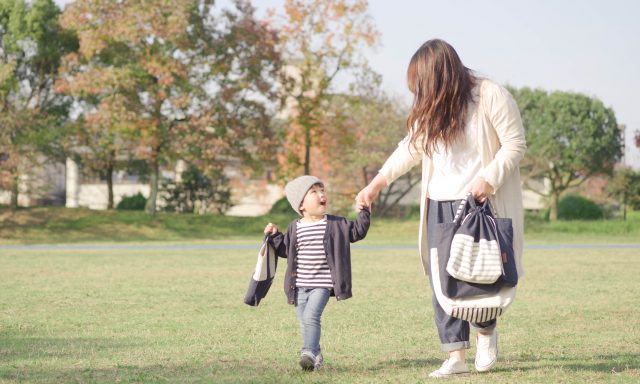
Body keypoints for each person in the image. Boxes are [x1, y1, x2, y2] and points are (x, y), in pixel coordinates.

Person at [356, 39, 526, 378]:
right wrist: (376, 183)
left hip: (481, 202)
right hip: (439, 202)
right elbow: (410, 148)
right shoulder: (433, 107)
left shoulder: (490, 95)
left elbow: (515, 144)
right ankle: (454, 356)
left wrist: (489, 178)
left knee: (478, 274)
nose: (419, 94)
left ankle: (486, 333)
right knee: (441, 280)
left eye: (423, 85)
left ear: (442, 77)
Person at [264, 175, 370, 371]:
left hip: (322, 283)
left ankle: (308, 352)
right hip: (298, 285)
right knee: (304, 322)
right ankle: (316, 355)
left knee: (312, 316)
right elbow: (285, 250)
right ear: (301, 205)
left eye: (322, 191)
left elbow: (358, 232)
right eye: (314, 192)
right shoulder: (295, 227)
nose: (321, 194)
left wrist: (363, 212)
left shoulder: (336, 224)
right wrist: (275, 235)